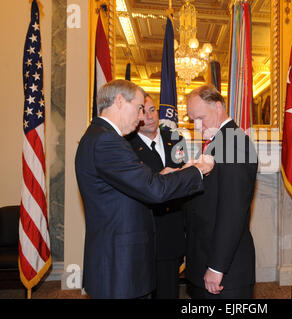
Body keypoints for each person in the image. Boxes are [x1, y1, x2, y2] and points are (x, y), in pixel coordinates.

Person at [75, 79, 213, 299]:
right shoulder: (107, 141)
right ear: (120, 101)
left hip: (118, 261)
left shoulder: (98, 136)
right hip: (120, 267)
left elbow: (130, 185)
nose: (142, 117)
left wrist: (164, 175)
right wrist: (197, 169)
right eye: (139, 108)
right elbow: (154, 190)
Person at [183, 85, 258, 299]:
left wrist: (216, 266)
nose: (197, 126)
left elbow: (233, 211)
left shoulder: (233, 142)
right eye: (193, 120)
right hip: (205, 255)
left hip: (226, 272)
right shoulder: (217, 141)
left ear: (218, 107)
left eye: (200, 118)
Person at [127, 94, 188, 298]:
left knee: (169, 291)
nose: (150, 117)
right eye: (143, 112)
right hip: (144, 231)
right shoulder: (127, 145)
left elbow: (184, 184)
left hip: (172, 230)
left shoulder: (175, 138)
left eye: (153, 110)